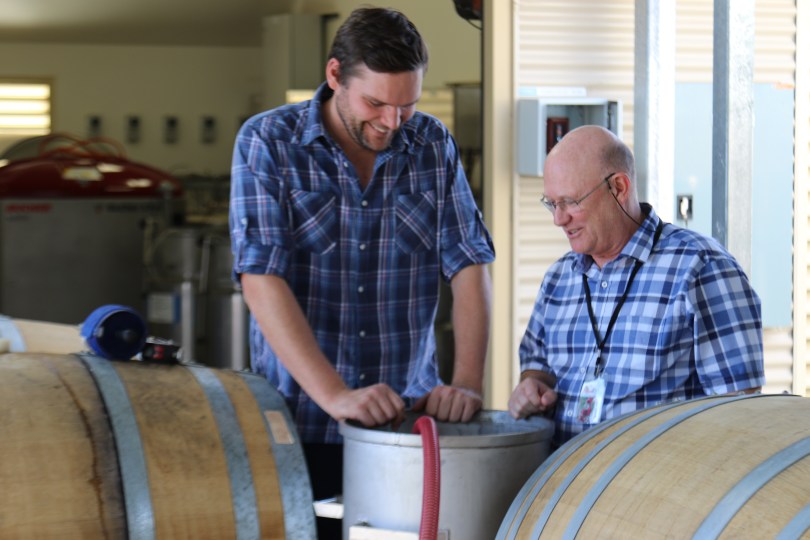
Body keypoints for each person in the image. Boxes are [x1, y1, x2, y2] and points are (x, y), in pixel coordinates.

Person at [229, 6, 494, 537]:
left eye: (407, 105)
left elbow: (469, 262)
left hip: (409, 429)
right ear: (334, 77)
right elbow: (261, 277)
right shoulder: (268, 142)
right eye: (376, 103)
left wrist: (465, 383)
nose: (393, 123)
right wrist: (336, 395)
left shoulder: (432, 144)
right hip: (297, 425)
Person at [508, 125, 764, 448]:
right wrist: (531, 388)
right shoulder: (559, 278)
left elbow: (739, 415)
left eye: (570, 202)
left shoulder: (701, 267)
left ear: (618, 187)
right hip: (569, 492)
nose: (559, 219)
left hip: (659, 492)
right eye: (552, 204)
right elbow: (536, 369)